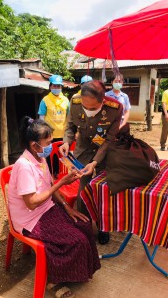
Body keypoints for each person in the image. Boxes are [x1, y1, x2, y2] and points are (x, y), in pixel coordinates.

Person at [8, 117, 101, 296]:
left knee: (83, 223)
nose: (51, 146)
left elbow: (48, 183)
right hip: (31, 219)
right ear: (35, 145)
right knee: (76, 240)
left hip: (46, 209)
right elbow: (32, 202)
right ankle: (53, 281)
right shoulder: (24, 166)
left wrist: (66, 206)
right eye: (48, 143)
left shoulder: (39, 158)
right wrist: (62, 183)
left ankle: (80, 269)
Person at [59, 80, 123, 245]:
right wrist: (66, 141)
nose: (88, 111)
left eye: (93, 108)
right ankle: (85, 225)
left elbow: (108, 140)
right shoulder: (75, 101)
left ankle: (103, 226)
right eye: (85, 107)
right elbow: (70, 126)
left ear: (103, 101)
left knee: (104, 189)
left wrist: (95, 162)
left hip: (105, 152)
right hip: (84, 149)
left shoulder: (115, 108)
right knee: (84, 189)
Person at [38, 74, 70, 141]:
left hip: (64, 135)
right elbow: (41, 118)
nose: (56, 88)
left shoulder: (66, 100)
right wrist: (43, 133)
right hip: (49, 136)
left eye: (58, 86)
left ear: (61, 87)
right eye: (54, 86)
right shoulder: (45, 100)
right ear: (50, 87)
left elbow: (69, 117)